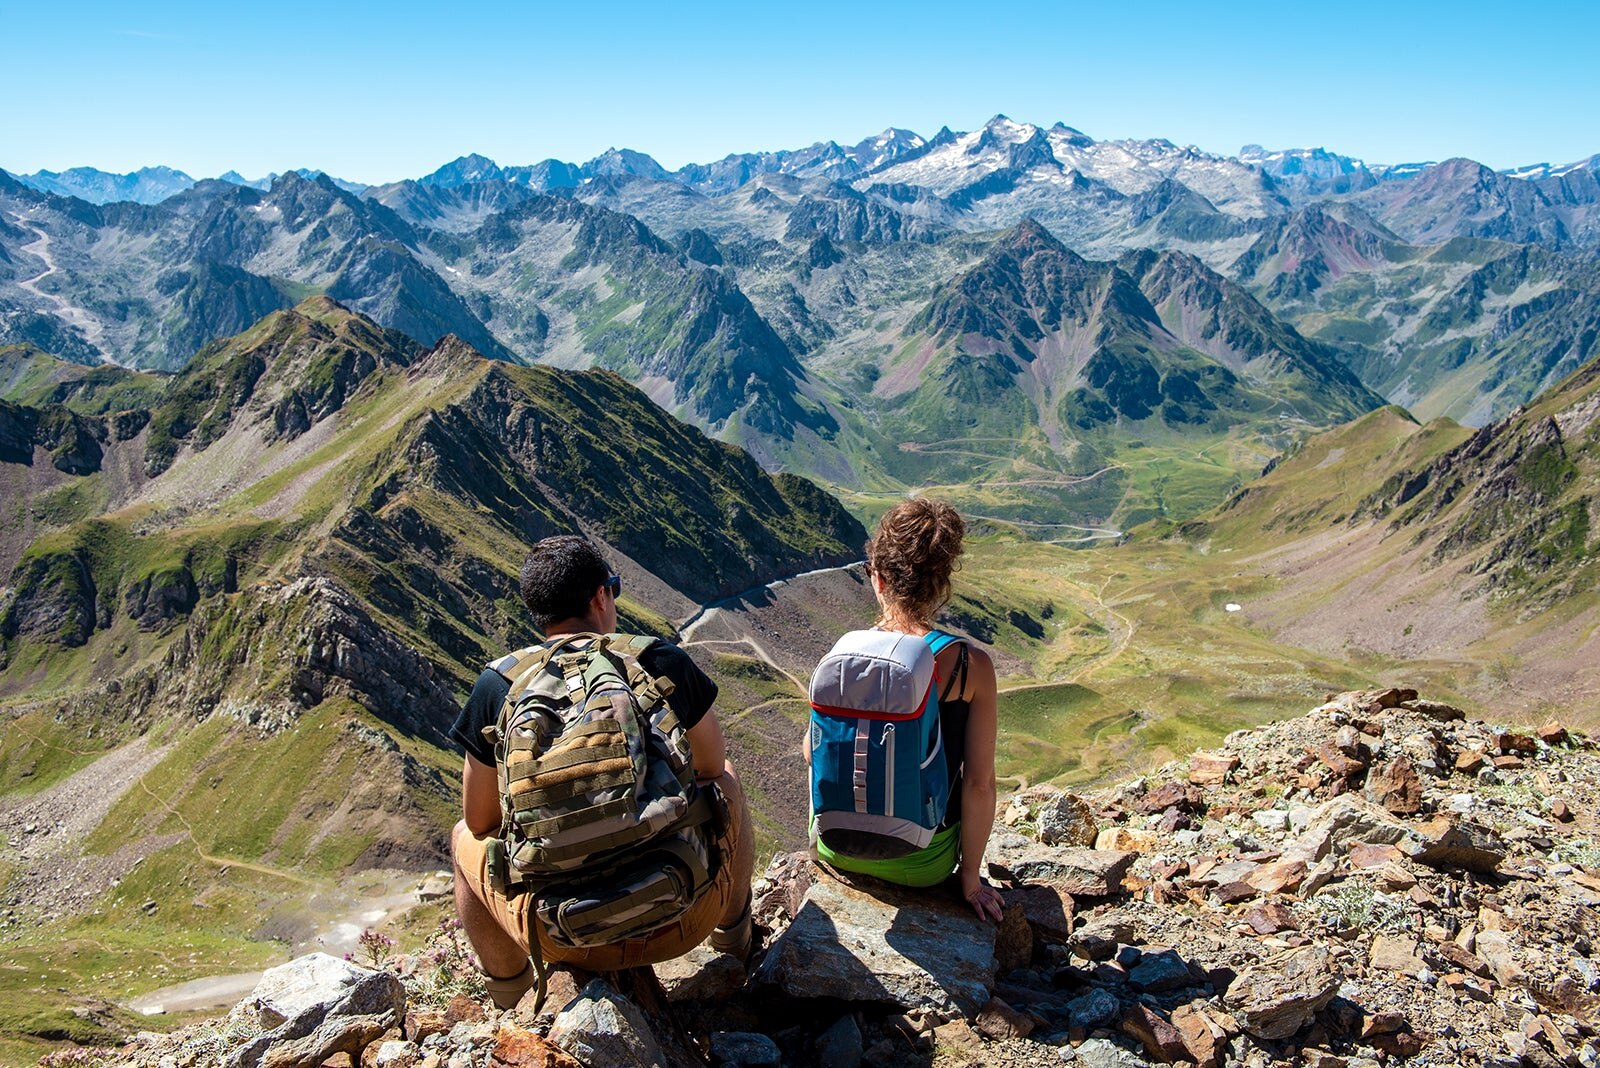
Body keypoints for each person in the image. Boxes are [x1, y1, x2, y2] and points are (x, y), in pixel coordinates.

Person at [450, 535, 755, 1009]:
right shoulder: (658, 660)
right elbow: (712, 767)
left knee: (461, 839)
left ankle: (512, 998)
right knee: (727, 780)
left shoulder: (497, 687)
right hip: (683, 917)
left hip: (566, 937)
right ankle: (735, 944)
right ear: (600, 596)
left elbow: (480, 821)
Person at [810, 498, 1004, 921]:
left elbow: (812, 753)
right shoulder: (971, 667)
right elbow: (979, 785)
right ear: (941, 585)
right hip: (923, 863)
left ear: (877, 579)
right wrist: (969, 877)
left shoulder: (846, 654)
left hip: (836, 848)